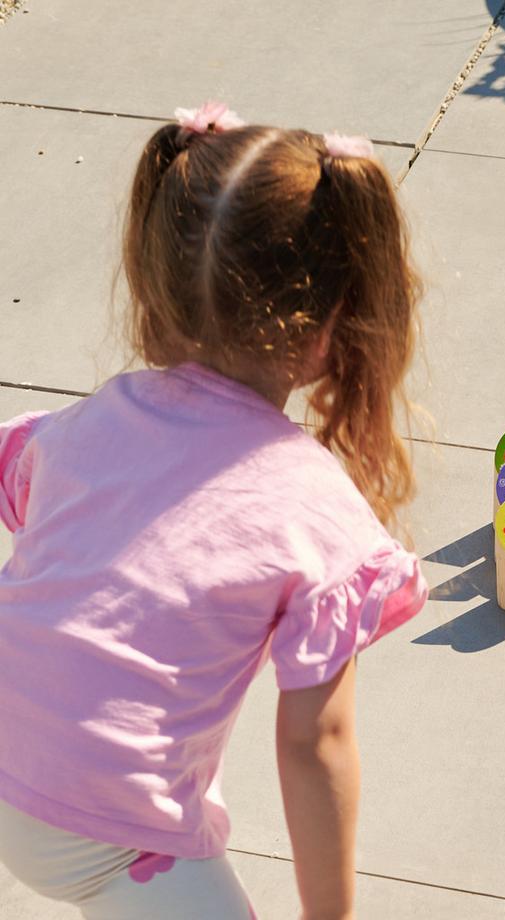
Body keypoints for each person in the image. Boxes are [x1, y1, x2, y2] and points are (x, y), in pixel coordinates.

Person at [0, 100, 428, 920]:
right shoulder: (314, 513)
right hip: (113, 834)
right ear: (332, 325)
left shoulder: (97, 415)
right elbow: (315, 745)